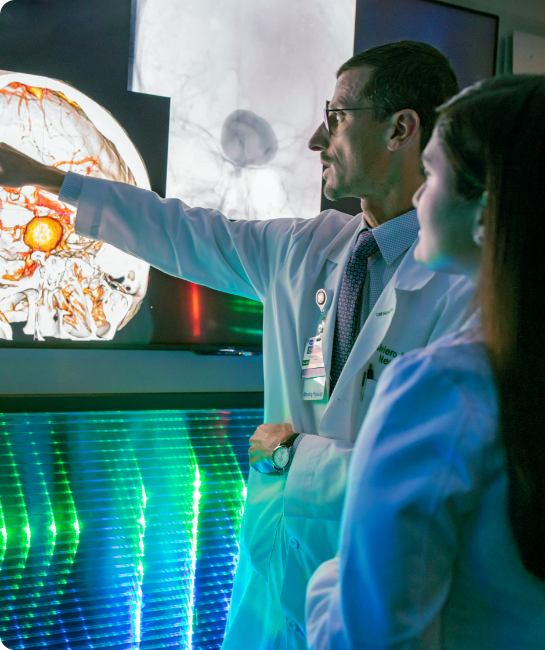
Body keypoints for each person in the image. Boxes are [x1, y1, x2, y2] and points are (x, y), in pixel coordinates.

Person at [0, 42, 475, 649]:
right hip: (270, 588)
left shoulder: (462, 286)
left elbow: (436, 473)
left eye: (336, 117)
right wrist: (46, 179)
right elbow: (180, 232)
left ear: (400, 130)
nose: (314, 141)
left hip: (377, 596)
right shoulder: (307, 250)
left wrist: (293, 457)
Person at [306, 73, 545, 650]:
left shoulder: (440, 389)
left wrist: (327, 583)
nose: (417, 195)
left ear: (490, 212)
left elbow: (367, 641)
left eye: (433, 172)